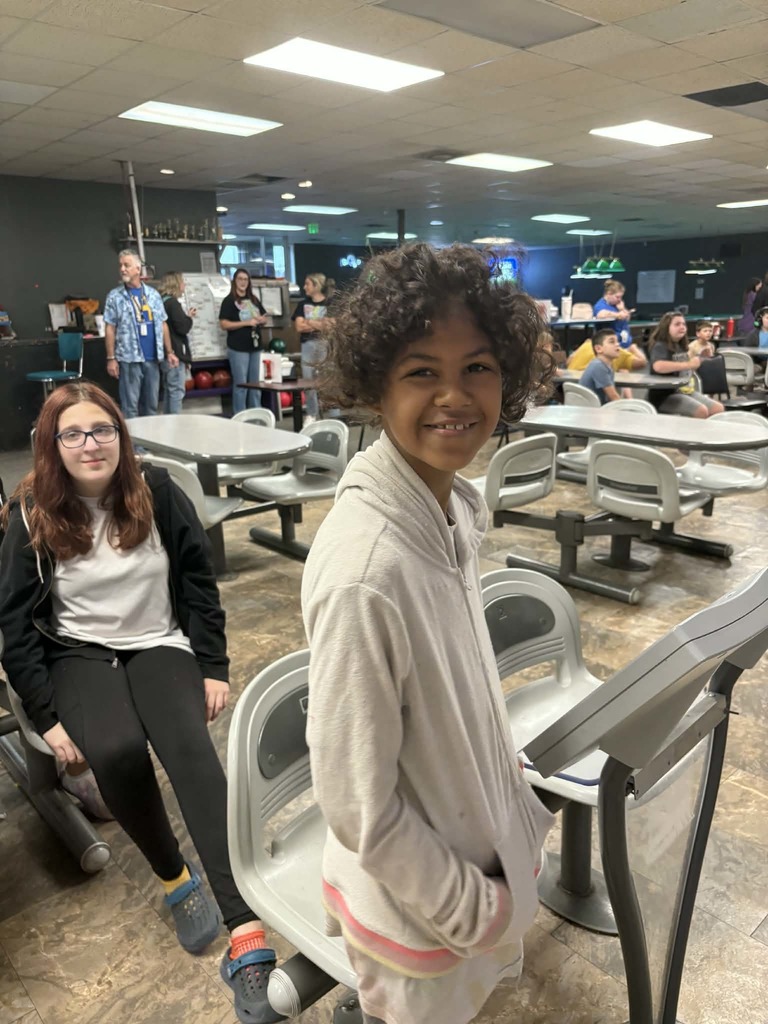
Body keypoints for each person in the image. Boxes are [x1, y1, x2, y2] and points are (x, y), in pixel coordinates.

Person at [301, 243, 556, 1024]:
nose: (455, 395)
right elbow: (357, 804)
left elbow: (449, 683)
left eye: (478, 366)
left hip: (472, 844)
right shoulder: (366, 571)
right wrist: (469, 910)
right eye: (421, 372)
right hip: (422, 914)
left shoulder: (453, 510)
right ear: (375, 386)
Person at [0, 382, 285, 1024]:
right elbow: (15, 624)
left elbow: (199, 582)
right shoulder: (31, 511)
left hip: (159, 642)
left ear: (120, 435)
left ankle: (246, 930)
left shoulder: (155, 490)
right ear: (52, 444)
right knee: (116, 751)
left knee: (191, 755)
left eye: (102, 429)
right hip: (77, 652)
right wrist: (45, 715)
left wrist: (212, 664)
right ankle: (175, 879)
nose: (90, 444)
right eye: (72, 433)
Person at [104, 250, 178, 418]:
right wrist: (111, 358)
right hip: (129, 359)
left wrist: (170, 352)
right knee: (130, 408)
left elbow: (163, 324)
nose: (122, 269)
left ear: (138, 269)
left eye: (127, 265)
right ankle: (132, 437)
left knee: (151, 406)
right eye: (121, 266)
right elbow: (110, 328)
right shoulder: (115, 296)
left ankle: (150, 436)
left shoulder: (153, 295)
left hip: (152, 358)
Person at [648, 312, 724, 418]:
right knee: (701, 411)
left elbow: (686, 371)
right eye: (677, 324)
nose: (682, 327)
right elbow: (658, 366)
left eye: (683, 324)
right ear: (666, 327)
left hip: (683, 391)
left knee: (718, 408)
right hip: (664, 396)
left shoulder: (680, 346)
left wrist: (701, 358)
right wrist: (688, 364)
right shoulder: (660, 346)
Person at [218, 268, 269, 416]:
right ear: (235, 281)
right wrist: (246, 323)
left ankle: (256, 414)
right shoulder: (229, 301)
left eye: (246, 279)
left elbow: (265, 317)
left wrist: (262, 320)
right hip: (238, 347)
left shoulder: (253, 299)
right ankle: (240, 415)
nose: (243, 282)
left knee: (256, 384)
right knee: (241, 384)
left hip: (255, 346)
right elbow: (224, 324)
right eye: (240, 279)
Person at [291, 273, 335, 423]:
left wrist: (309, 322)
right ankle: (311, 413)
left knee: (328, 379)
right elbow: (299, 326)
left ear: (316, 285)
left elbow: (331, 326)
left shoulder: (329, 303)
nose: (305, 287)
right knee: (308, 380)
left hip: (324, 344)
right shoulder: (302, 305)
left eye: (307, 284)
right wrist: (320, 323)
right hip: (308, 344)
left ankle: (333, 413)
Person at [159, 271, 196, 414]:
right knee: (176, 391)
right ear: (176, 284)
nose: (184, 285)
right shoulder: (173, 303)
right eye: (182, 282)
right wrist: (189, 318)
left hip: (164, 353)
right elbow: (182, 327)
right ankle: (175, 421)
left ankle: (168, 421)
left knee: (169, 390)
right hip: (175, 353)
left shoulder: (161, 302)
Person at [579, 330, 622, 404]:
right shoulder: (598, 366)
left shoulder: (608, 365)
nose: (617, 344)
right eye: (612, 342)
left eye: (617, 341)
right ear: (598, 349)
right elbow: (613, 397)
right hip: (589, 409)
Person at [592, 279, 634, 345]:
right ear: (609, 294)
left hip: (625, 342)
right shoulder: (600, 305)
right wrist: (618, 315)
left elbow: (627, 318)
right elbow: (601, 315)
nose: (620, 299)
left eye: (621, 297)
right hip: (612, 344)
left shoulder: (618, 305)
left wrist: (622, 309)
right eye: (617, 297)